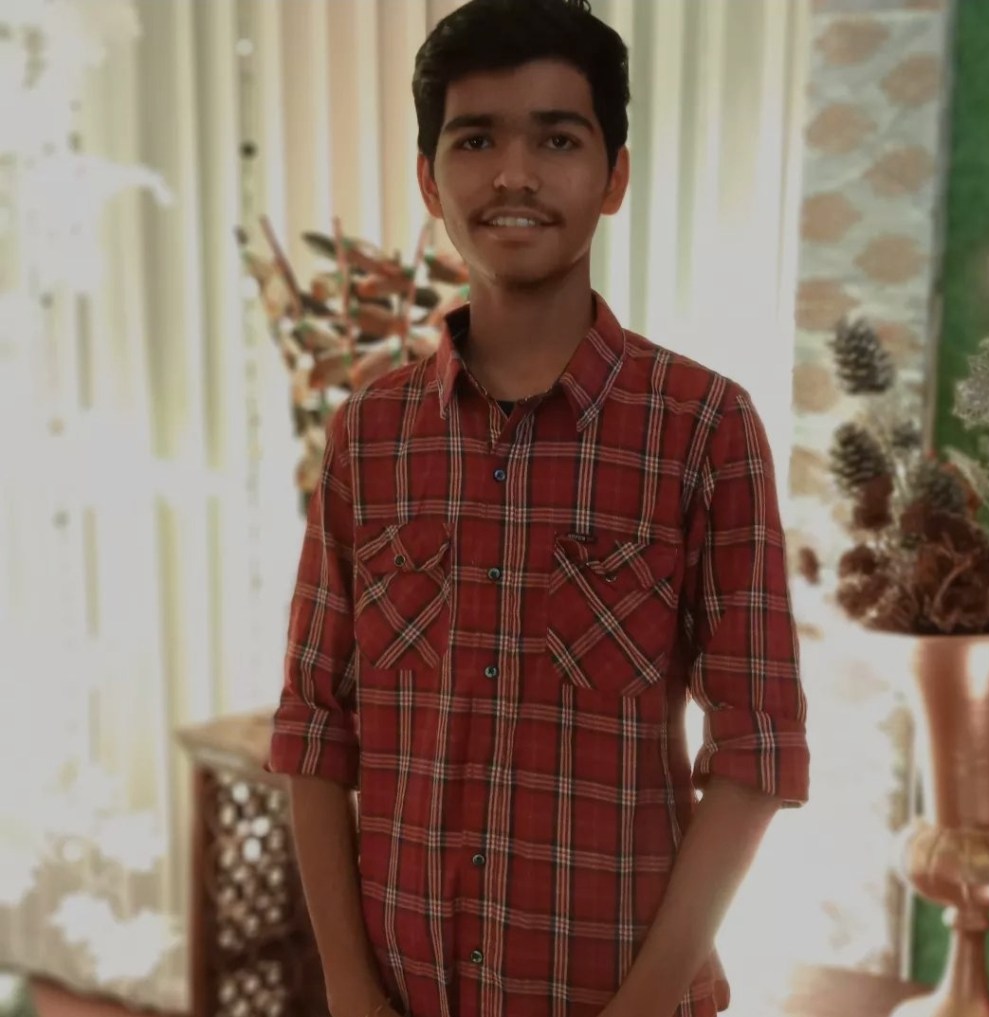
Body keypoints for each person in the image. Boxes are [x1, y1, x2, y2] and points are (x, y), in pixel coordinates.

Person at [268, 1, 810, 1016]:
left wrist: (644, 1004)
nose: (513, 175)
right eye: (476, 140)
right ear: (429, 179)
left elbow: (757, 748)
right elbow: (313, 727)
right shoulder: (368, 436)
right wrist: (347, 987)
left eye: (557, 139)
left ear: (615, 177)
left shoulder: (703, 428)